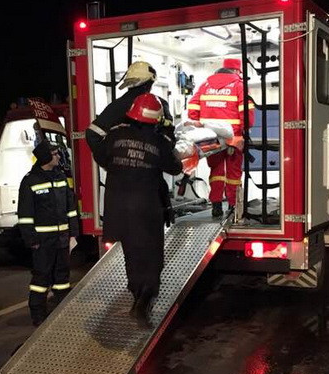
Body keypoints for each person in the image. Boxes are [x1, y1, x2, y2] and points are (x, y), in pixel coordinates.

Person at [91, 93, 182, 325]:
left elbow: (100, 155)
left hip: (117, 209)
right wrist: (169, 139)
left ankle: (136, 295)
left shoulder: (115, 134)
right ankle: (143, 302)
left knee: (131, 255)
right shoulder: (159, 141)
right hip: (146, 209)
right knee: (152, 257)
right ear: (156, 119)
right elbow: (175, 168)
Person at [17, 136, 80, 326]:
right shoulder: (30, 181)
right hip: (43, 240)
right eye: (54, 154)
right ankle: (38, 314)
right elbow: (25, 215)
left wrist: (73, 233)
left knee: (62, 277)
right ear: (45, 157)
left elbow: (70, 208)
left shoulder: (60, 178)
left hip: (62, 238)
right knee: (41, 277)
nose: (58, 157)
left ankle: (63, 311)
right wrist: (31, 239)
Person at [187, 57, 255, 218]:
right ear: (237, 71)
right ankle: (233, 206)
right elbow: (247, 116)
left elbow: (192, 110)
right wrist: (242, 129)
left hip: (211, 138)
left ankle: (216, 205)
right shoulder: (239, 85)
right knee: (233, 173)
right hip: (234, 139)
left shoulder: (205, 85)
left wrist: (203, 124)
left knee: (216, 171)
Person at [85, 60, 175, 163]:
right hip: (151, 170)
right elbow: (169, 141)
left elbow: (92, 134)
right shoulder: (160, 105)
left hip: (119, 170)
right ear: (150, 83)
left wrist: (108, 162)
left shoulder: (116, 106)